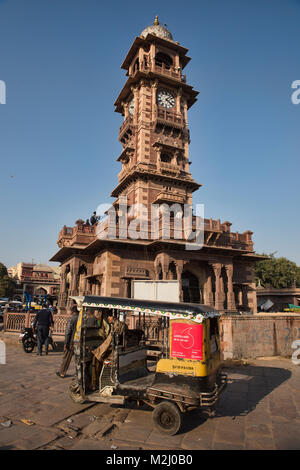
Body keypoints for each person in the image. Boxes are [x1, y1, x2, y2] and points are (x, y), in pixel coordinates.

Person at [56, 305, 79, 378]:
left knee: (66, 357)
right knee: (78, 359)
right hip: (79, 341)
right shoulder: (81, 318)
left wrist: (66, 343)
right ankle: (78, 373)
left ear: (72, 311)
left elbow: (68, 331)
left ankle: (62, 372)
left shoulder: (72, 319)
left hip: (71, 341)